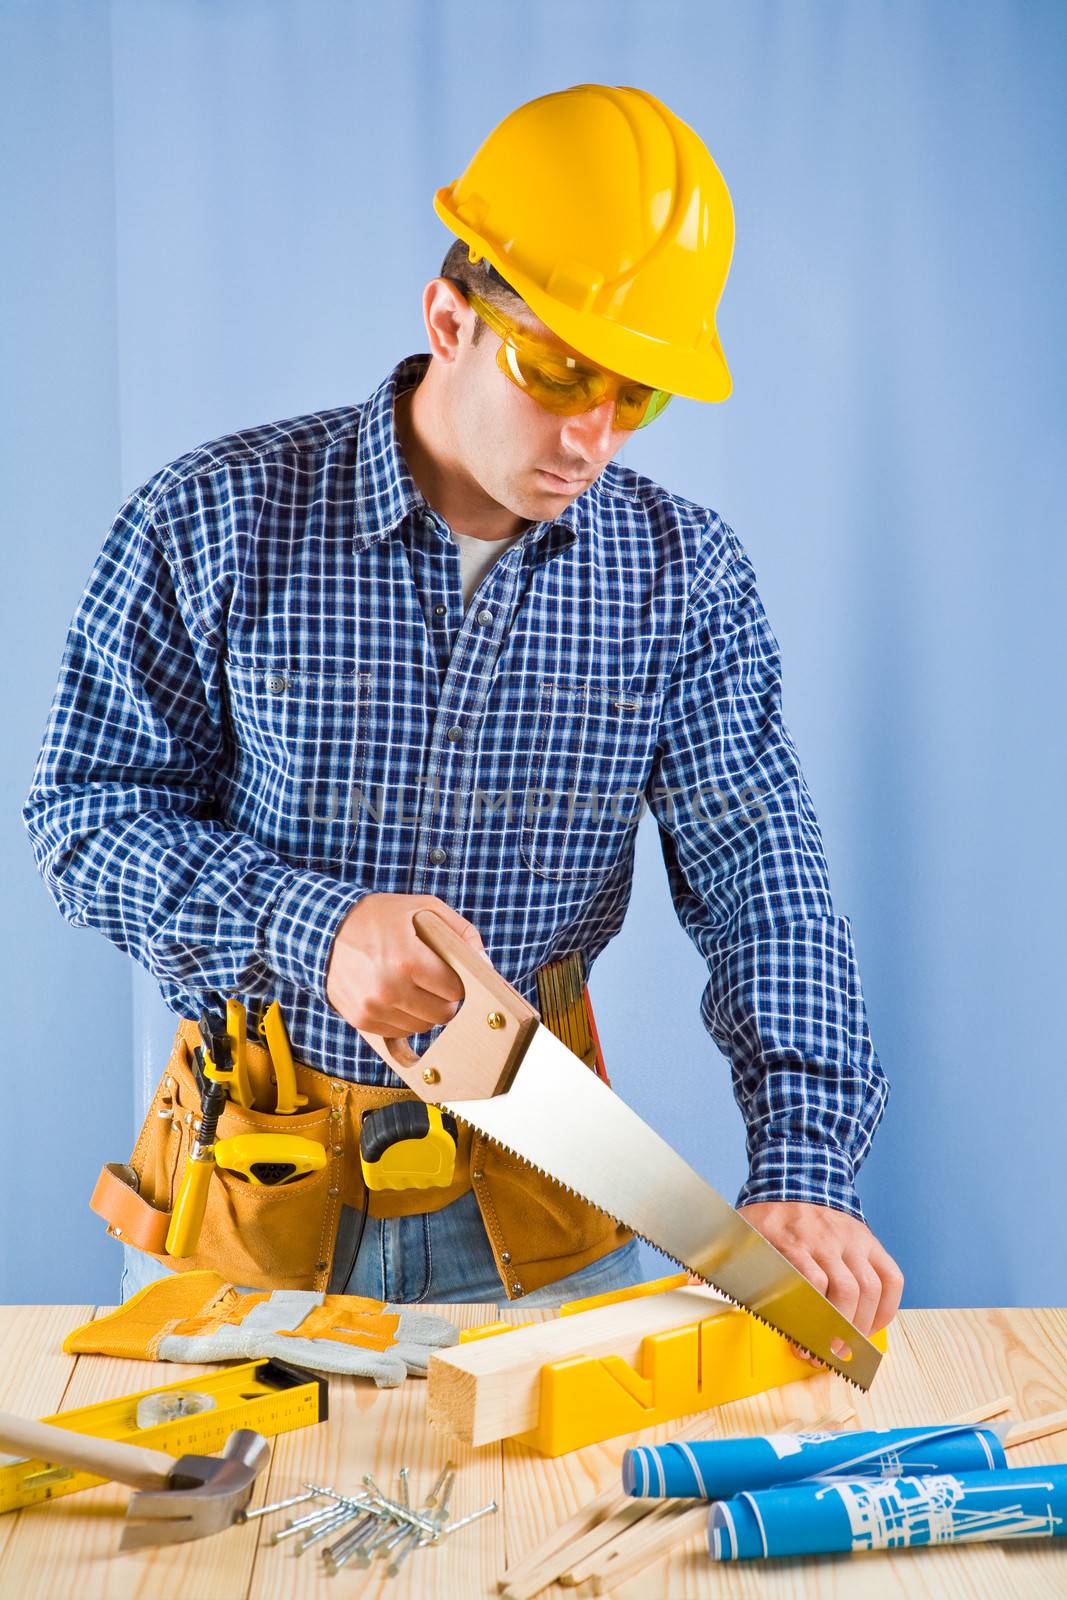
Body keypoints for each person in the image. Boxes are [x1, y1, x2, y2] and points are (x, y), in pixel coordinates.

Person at [23, 83, 902, 1344]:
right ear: (450, 317)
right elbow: (81, 816)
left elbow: (765, 879)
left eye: (634, 395)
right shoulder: (212, 517)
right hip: (254, 1207)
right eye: (557, 371)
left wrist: (805, 1172)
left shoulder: (683, 579)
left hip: (545, 1210)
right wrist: (311, 924)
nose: (589, 436)